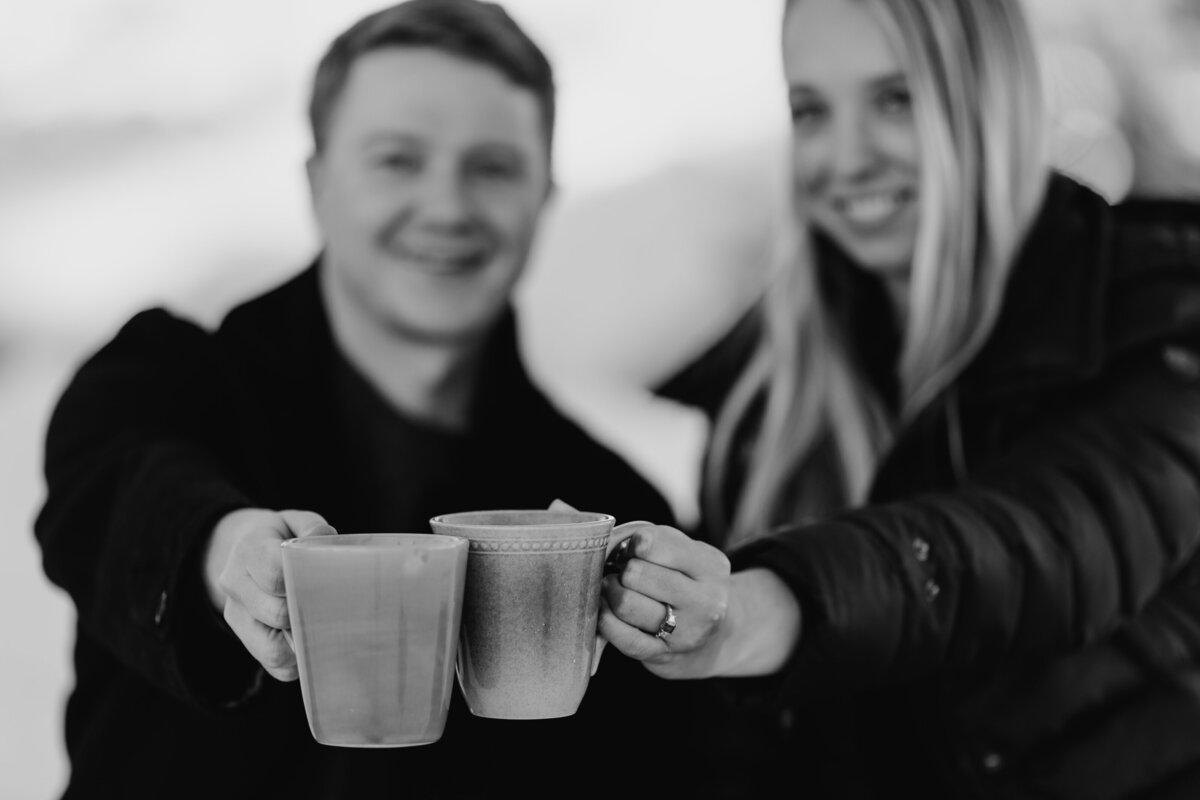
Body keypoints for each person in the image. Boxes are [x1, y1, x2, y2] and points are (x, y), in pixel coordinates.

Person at [33, 2, 771, 797]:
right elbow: (118, 495)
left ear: (544, 198)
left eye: (493, 166)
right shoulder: (165, 382)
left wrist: (716, 637)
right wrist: (230, 559)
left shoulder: (602, 509)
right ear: (318, 184)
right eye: (397, 160)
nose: (448, 207)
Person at [598, 0, 1200, 798]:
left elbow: (1044, 543)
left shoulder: (1161, 307)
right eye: (810, 110)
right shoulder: (768, 394)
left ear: (992, 98)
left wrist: (756, 613)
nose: (844, 157)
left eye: (895, 99)